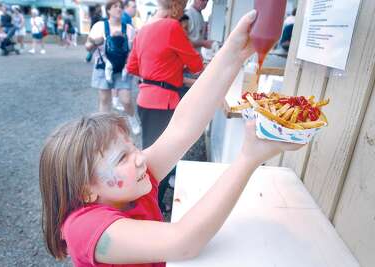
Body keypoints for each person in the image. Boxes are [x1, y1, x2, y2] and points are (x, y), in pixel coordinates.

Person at [40, 10, 305, 266]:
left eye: (132, 147)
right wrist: (248, 158)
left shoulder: (132, 184)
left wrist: (235, 52)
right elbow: (183, 242)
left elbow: (183, 127)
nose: (140, 158)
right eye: (122, 157)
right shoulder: (84, 229)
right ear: (86, 190)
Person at [126, 0, 203, 213]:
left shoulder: (143, 30)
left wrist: (162, 67)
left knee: (149, 156)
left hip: (145, 99)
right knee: (161, 161)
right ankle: (152, 208)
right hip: (164, 101)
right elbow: (196, 64)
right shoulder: (171, 27)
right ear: (177, 5)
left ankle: (146, 204)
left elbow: (132, 66)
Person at [85, 0, 140, 134]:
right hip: (103, 67)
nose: (119, 9)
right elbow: (88, 47)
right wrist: (94, 42)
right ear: (108, 10)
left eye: (120, 7)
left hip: (123, 69)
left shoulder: (129, 29)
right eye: (115, 6)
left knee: (126, 100)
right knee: (105, 99)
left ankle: (132, 119)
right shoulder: (99, 26)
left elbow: (134, 51)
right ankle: (104, 127)